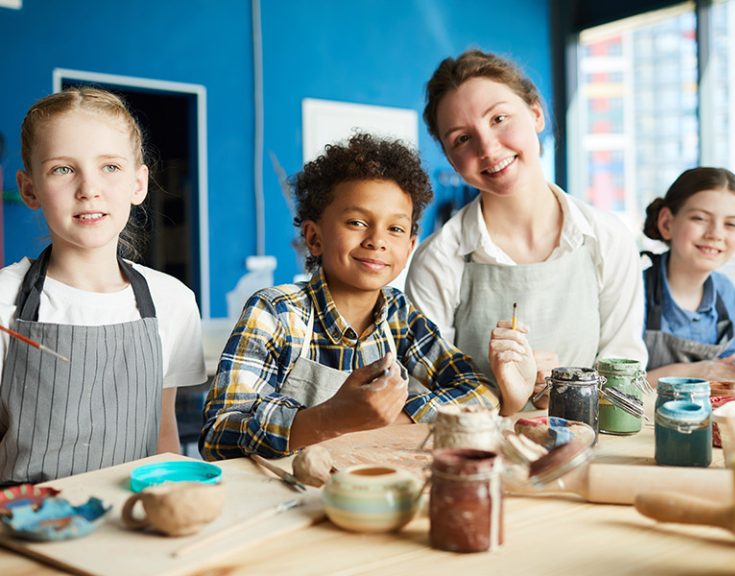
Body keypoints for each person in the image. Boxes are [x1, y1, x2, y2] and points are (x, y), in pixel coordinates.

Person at [200, 133, 535, 460]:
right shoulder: (276, 312)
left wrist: (390, 417)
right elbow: (219, 432)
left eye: (396, 228)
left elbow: (480, 391)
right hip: (285, 497)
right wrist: (331, 419)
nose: (377, 240)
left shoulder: (401, 317)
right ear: (314, 238)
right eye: (357, 222)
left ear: (410, 247)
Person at [406, 49, 647, 406]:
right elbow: (421, 395)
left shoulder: (607, 239)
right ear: (450, 157)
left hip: (589, 452)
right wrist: (506, 398)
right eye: (461, 138)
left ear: (536, 113)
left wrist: (563, 390)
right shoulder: (438, 260)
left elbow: (625, 377)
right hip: (476, 456)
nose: (488, 147)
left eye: (499, 118)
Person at [0, 87, 206, 485]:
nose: (88, 188)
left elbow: (165, 440)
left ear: (138, 183)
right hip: (24, 529)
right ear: (29, 189)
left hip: (133, 525)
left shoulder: (172, 301)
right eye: (63, 168)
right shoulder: (4, 300)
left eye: (110, 167)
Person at [642, 167, 735, 385]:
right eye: (700, 218)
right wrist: (701, 370)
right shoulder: (636, 289)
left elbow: (723, 373)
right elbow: (613, 385)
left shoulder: (725, 292)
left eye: (731, 224)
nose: (715, 234)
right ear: (667, 223)